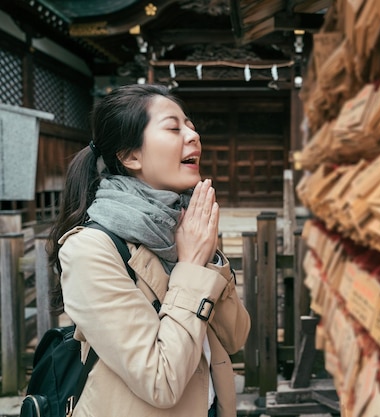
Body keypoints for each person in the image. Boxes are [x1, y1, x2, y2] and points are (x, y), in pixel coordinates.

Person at [47, 84, 250, 417]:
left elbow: (234, 338)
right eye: (173, 127)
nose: (193, 135)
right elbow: (161, 382)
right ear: (131, 156)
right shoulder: (90, 249)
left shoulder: (186, 228)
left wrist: (208, 258)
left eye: (190, 125)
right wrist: (192, 266)